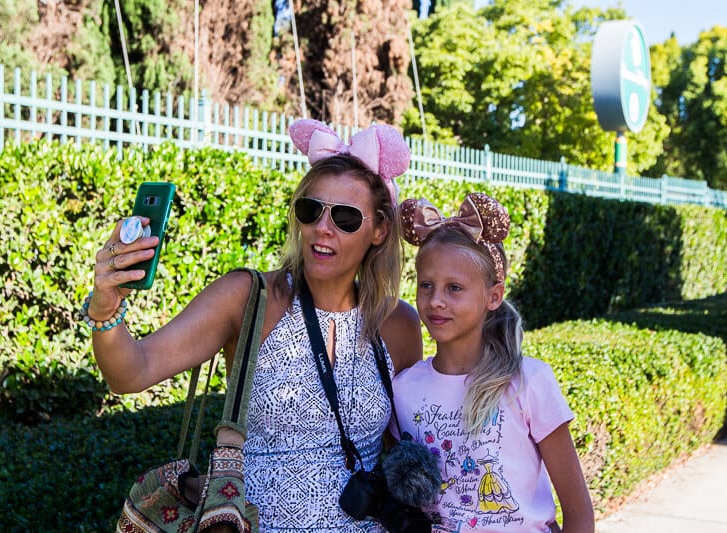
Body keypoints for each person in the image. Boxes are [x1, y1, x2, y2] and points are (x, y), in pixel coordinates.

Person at [81, 118, 423, 532]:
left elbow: (410, 446)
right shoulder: (250, 298)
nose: (322, 228)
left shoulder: (398, 324)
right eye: (310, 209)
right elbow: (130, 373)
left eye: (346, 218)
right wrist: (106, 307)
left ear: (380, 230)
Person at [392, 193, 595, 533]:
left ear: (493, 296)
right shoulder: (403, 389)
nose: (436, 300)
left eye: (454, 288)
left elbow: (578, 510)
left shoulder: (528, 380)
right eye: (426, 285)